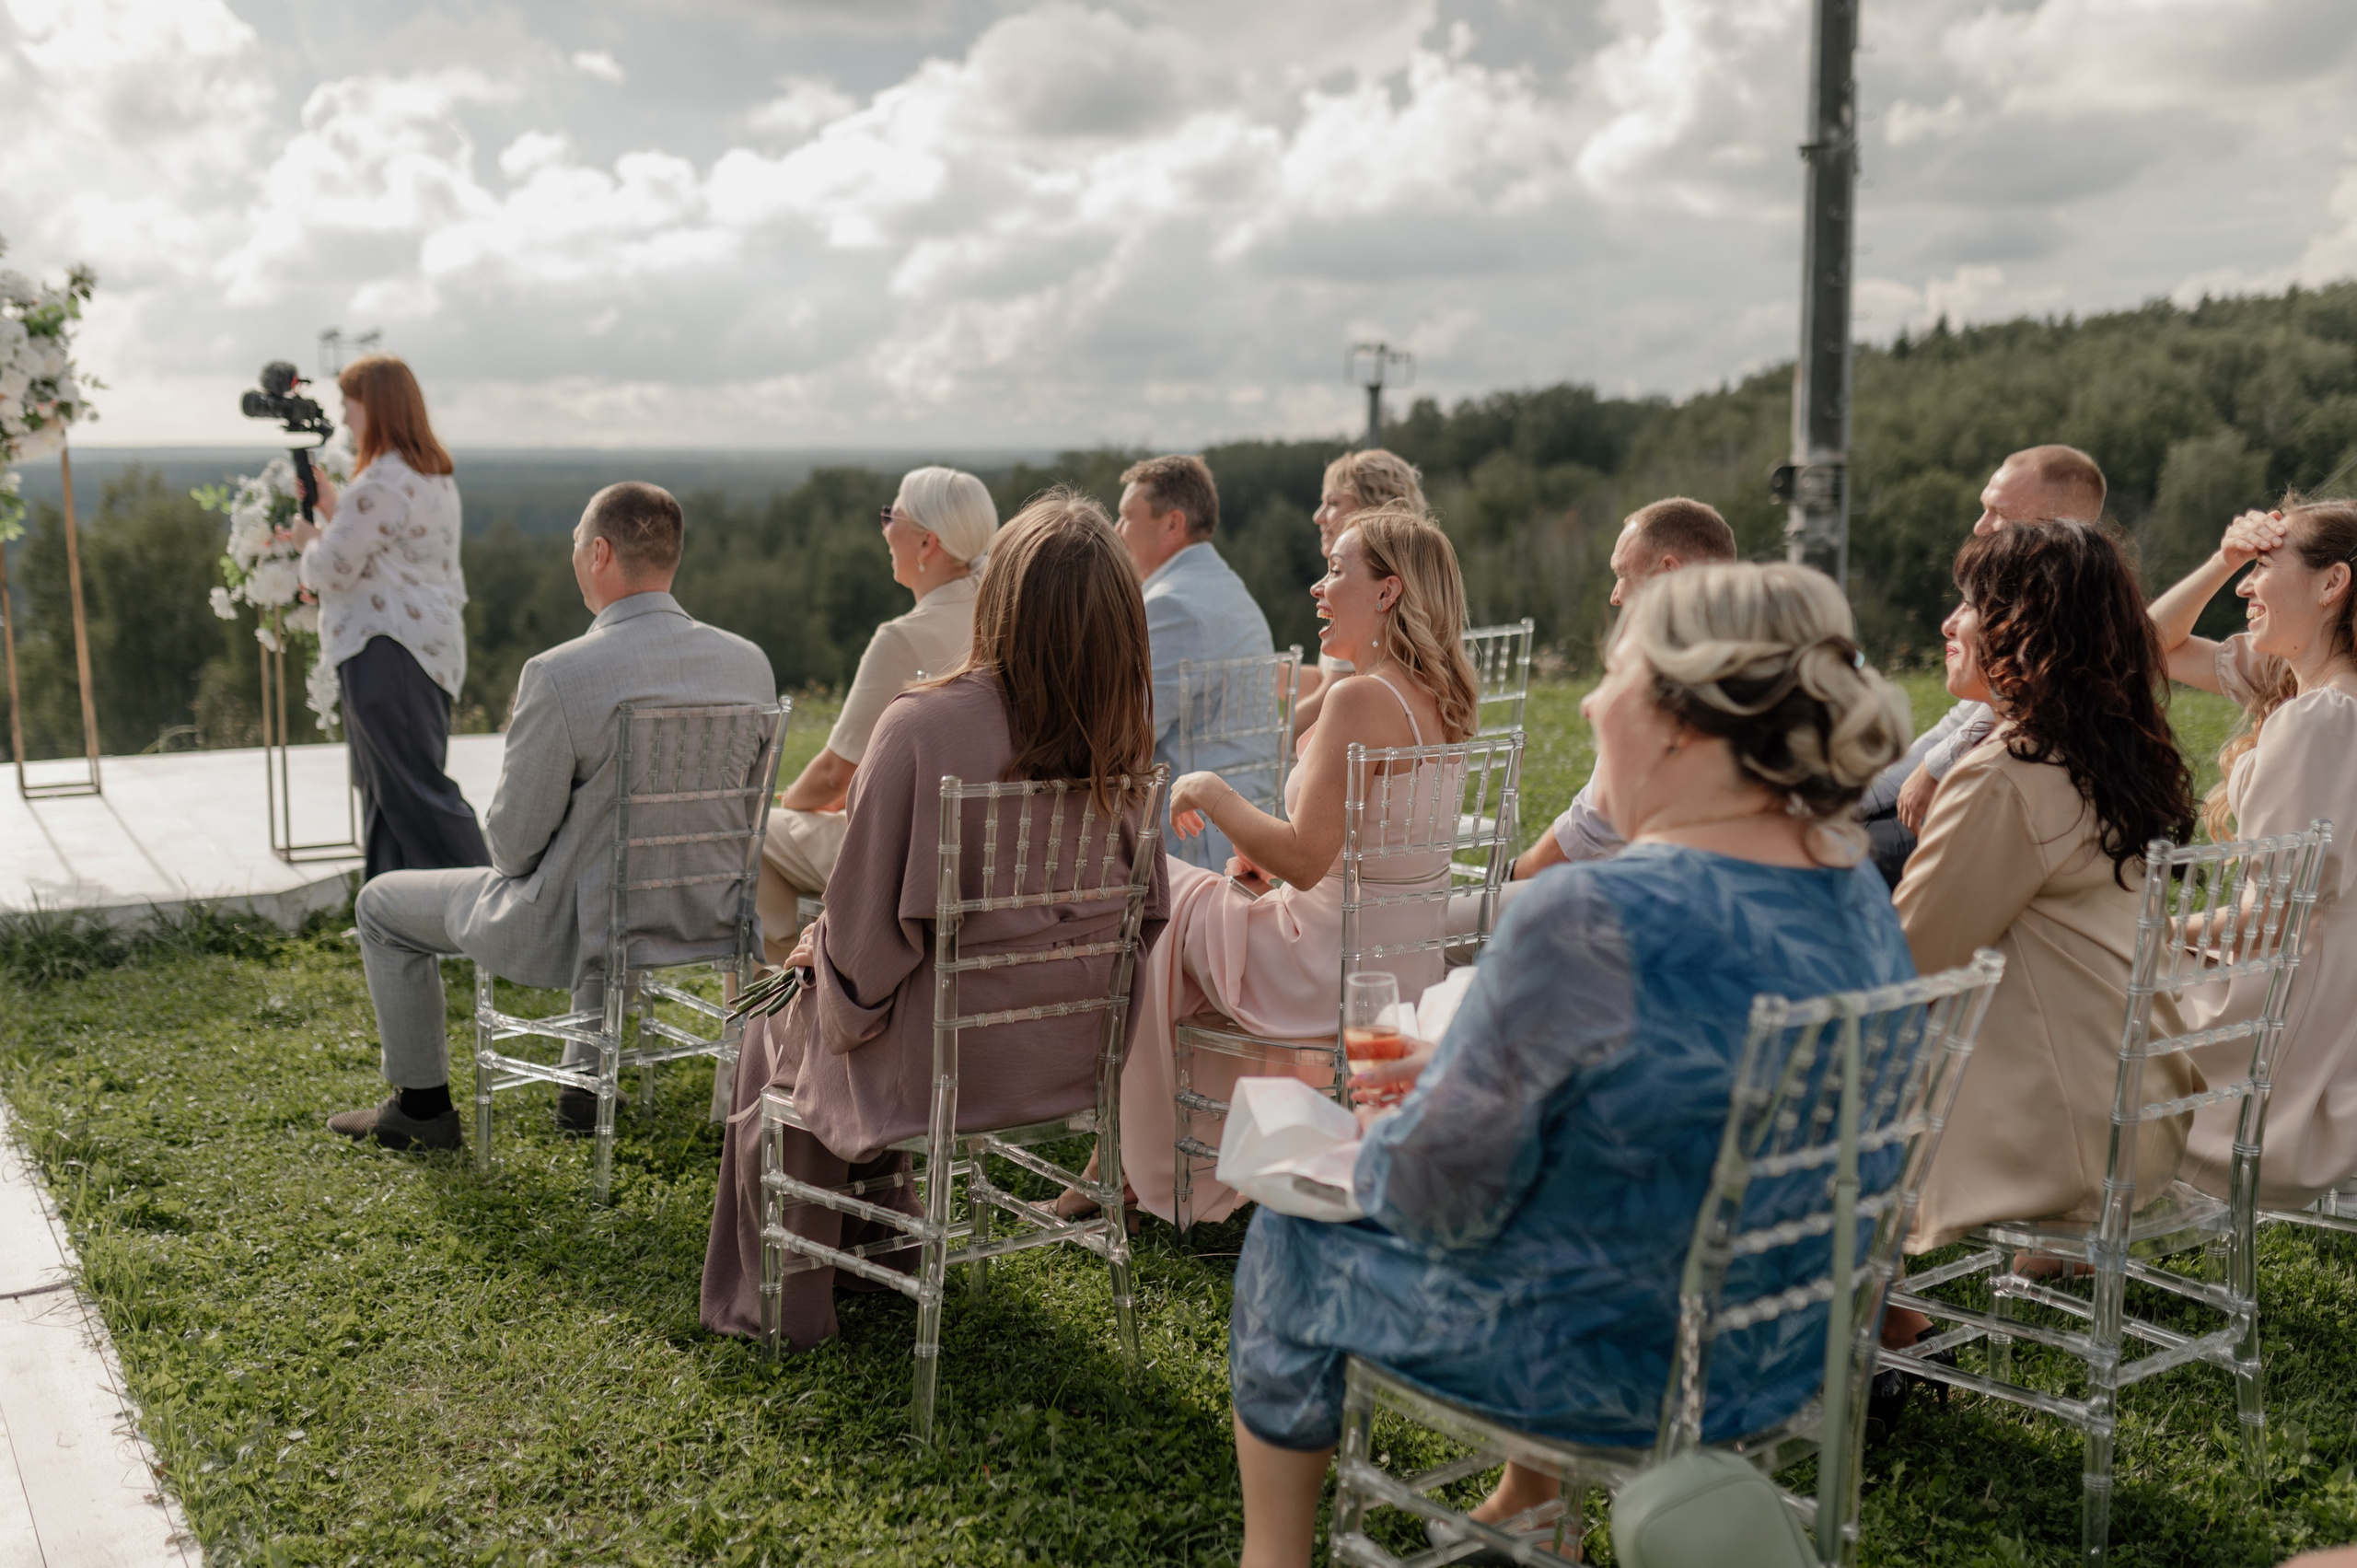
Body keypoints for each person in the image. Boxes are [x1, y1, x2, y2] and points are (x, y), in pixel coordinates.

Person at [1225, 562, 1914, 1568]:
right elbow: (1675, 1096)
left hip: (1614, 1368)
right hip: (1790, 1343)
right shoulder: (1855, 890)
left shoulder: (1590, 914)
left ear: (1680, 722)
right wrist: (1470, 1069)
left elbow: (1433, 1191)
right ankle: (1527, 1514)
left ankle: (1273, 1557)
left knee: (1290, 1235)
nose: (1590, 704)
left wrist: (1380, 1131)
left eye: (1615, 675)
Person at [699, 493, 1171, 1346]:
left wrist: (817, 956)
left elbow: (864, 952)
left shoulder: (922, 725)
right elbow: (1147, 919)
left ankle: (790, 1306)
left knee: (786, 1022)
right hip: (1071, 1058)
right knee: (838, 1002)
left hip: (942, 1068)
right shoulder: (1124, 744)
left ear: (1001, 599)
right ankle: (876, 1245)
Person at [328, 482, 774, 1149]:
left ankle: (421, 1109)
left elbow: (512, 848)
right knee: (609, 870)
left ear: (599, 553)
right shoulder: (749, 664)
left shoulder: (561, 673)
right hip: (706, 908)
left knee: (380, 905)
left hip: (582, 925)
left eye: (575, 543)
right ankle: (580, 1087)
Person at [1108, 505, 1480, 1226]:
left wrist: (1209, 791)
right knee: (1187, 904)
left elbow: (1306, 864)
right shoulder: (1445, 700)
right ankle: (1177, 1147)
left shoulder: (1359, 698)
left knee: (1153, 890)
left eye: (1336, 571)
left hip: (1321, 967)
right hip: (1398, 966)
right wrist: (1266, 857)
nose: (1318, 586)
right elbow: (1348, 851)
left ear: (1388, 591)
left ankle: (1137, 1158)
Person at [1890, 522, 2198, 1279]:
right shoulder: (2108, 752)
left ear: (2021, 627)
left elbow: (1909, 962)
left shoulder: (2007, 772)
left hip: (2063, 1141)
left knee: (1775, 1073)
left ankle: (1873, 1314)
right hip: (2140, 1114)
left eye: (1969, 604)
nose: (1949, 623)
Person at [2148, 498, 2357, 1210]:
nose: (2243, 586)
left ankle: (2063, 1210)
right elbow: (2149, 646)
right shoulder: (2300, 684)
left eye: (2262, 566)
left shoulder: (2318, 719)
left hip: (2285, 1025)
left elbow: (2274, 920)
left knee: (2071, 976)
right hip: (2324, 992)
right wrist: (2225, 556)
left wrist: (2157, 933)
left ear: (2332, 583)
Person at [754, 466, 997, 962]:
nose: (885, 529)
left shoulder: (902, 638)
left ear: (927, 542)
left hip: (912, 863)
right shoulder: (1008, 618)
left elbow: (834, 773)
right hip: (996, 854)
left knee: (754, 832)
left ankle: (784, 984)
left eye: (892, 517)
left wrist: (793, 803)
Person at [1857, 444, 2107, 887]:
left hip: (2012, 822)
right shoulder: (2025, 594)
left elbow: (2026, 708)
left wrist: (1933, 769)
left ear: (2057, 522)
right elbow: (1964, 722)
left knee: (1834, 859)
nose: (1980, 525)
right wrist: (1853, 799)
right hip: (1980, 804)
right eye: (1984, 507)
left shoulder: (2074, 613)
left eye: (1999, 512)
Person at [288, 354, 488, 881]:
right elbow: (388, 555)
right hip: (418, 649)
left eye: (348, 404)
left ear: (374, 408)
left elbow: (330, 568)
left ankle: (495, 909)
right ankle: (390, 911)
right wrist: (334, 508)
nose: (343, 418)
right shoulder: (426, 475)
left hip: (387, 649)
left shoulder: (383, 482)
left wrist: (308, 541)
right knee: (385, 791)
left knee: (416, 792)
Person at [1510, 496, 1736, 880]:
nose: (1615, 595)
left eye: (1622, 574)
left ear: (1668, 573)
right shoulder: (1765, 662)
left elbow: (1592, 827)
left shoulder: (1665, 680)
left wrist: (1511, 876)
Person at [1118, 453, 1275, 870]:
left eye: (1127, 517)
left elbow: (1129, 735)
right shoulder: (1229, 588)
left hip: (1192, 841)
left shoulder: (1172, 604)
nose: (1117, 531)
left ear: (1173, 523)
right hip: (1244, 820)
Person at [1291, 449, 1428, 733]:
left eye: (1333, 503)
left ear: (1371, 508)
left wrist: (1260, 739)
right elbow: (1325, 677)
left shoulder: (1360, 593)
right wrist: (1255, 677)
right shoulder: (1423, 579)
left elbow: (1326, 703)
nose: (1318, 516)